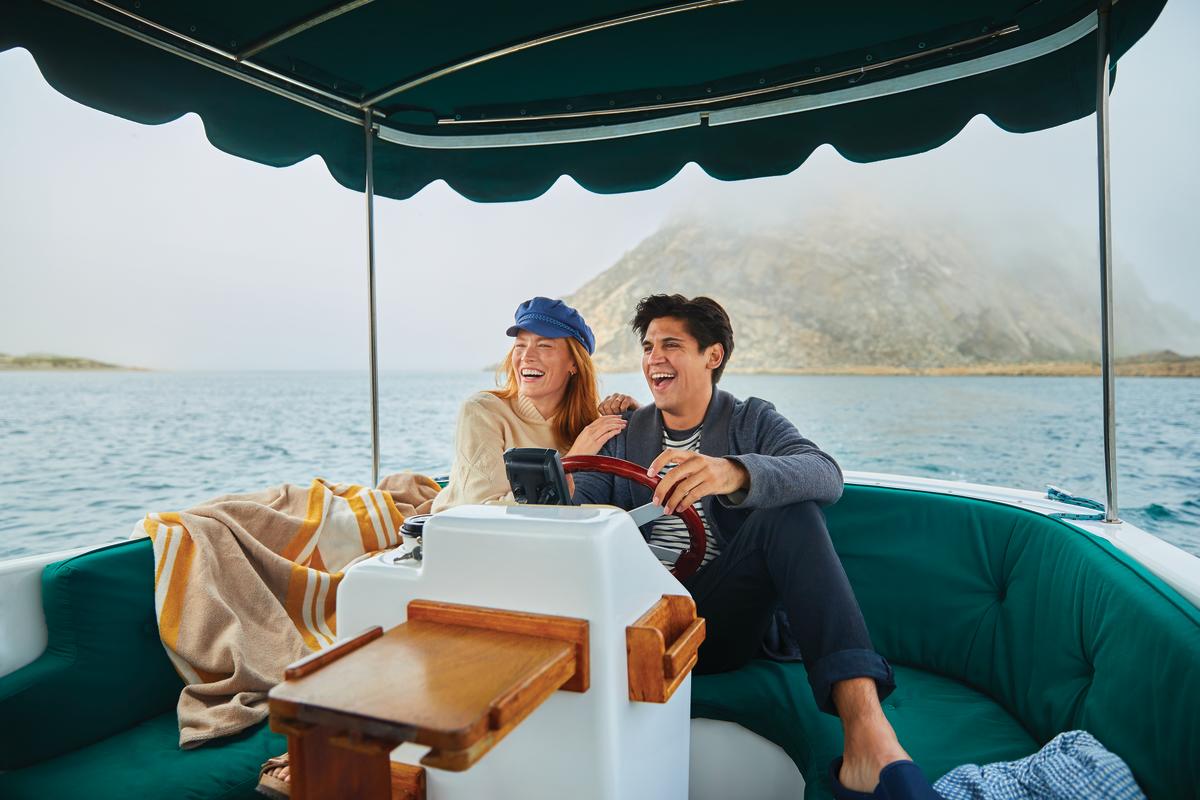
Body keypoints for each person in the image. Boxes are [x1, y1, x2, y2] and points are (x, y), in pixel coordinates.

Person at [571, 294, 924, 798]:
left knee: (792, 513)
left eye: (671, 345)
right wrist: (580, 456)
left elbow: (825, 473)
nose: (653, 358)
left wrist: (733, 471)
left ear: (712, 356)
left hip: (722, 618)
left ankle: (867, 732)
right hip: (638, 617)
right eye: (648, 347)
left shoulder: (751, 419)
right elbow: (577, 522)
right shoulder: (624, 433)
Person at [431, 296, 628, 512]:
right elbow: (483, 512)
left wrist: (633, 416)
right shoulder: (482, 411)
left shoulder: (587, 429)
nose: (527, 356)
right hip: (458, 535)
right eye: (520, 345)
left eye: (544, 345)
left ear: (574, 363)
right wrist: (572, 462)